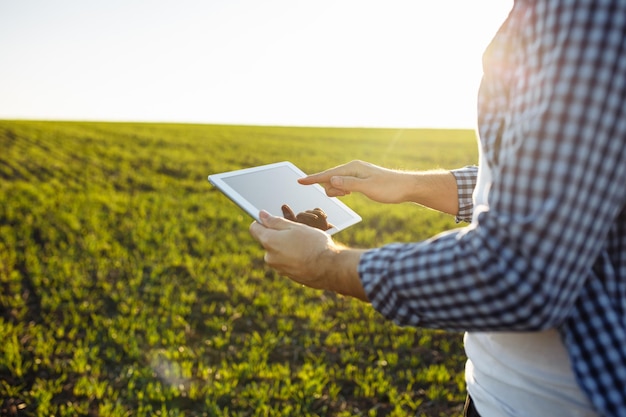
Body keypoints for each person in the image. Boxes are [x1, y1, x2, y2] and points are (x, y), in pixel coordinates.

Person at [249, 1, 626, 416]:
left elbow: (517, 272)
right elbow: (547, 178)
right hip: (495, 391)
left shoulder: (585, 13)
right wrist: (410, 184)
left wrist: (327, 263)